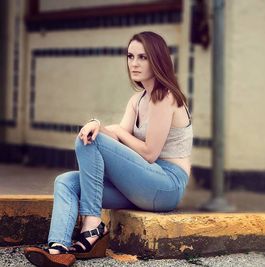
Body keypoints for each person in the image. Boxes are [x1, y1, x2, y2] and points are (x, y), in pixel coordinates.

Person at [24, 31, 193, 267]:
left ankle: (92, 226)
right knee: (67, 181)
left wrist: (109, 132)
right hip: (141, 185)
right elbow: (116, 137)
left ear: (158, 60)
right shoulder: (137, 100)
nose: (134, 63)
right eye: (130, 56)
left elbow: (149, 153)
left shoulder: (165, 96)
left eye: (143, 57)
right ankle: (58, 249)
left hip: (166, 185)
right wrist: (96, 124)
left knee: (91, 140)